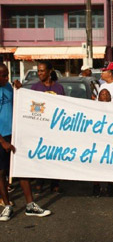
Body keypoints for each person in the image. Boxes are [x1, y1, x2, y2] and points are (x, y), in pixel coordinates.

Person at [0, 63, 51, 221]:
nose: (7, 77)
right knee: (1, 173)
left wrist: (19, 90)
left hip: (14, 135)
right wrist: (2, 142)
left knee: (21, 168)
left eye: (7, 74)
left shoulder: (9, 87)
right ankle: (7, 205)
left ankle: (30, 205)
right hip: (2, 138)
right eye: (3, 75)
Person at [31, 61, 64, 194]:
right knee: (40, 155)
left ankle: (54, 182)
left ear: (49, 71)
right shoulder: (34, 88)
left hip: (55, 129)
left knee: (54, 156)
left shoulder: (59, 88)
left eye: (42, 71)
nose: (39, 73)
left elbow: (64, 108)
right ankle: (39, 182)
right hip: (40, 128)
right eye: (38, 71)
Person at [93, 89, 113, 196]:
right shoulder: (93, 109)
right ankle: (96, 185)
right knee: (96, 163)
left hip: (110, 140)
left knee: (109, 162)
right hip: (98, 139)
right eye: (102, 94)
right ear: (99, 97)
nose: (104, 96)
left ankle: (109, 184)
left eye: (107, 94)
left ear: (110, 97)